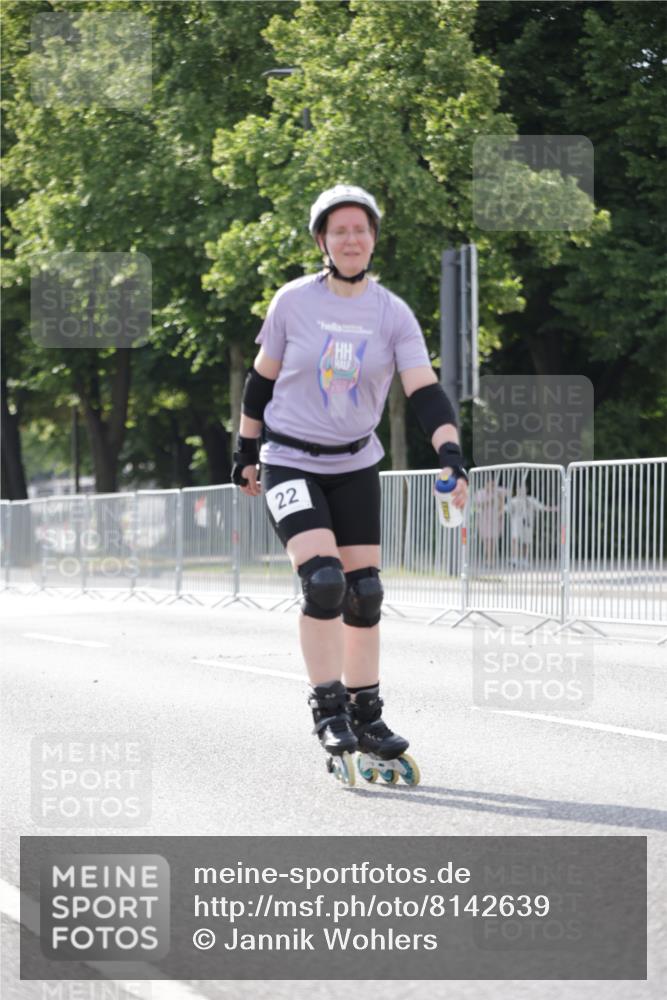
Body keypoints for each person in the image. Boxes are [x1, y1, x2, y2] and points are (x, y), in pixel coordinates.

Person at [231, 184, 468, 779]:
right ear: (322, 241)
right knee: (325, 582)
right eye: (339, 230)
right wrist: (245, 449)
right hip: (290, 457)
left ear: (373, 238)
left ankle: (368, 713)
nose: (352, 238)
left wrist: (452, 454)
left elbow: (423, 389)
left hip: (356, 461)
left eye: (360, 229)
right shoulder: (292, 302)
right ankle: (328, 707)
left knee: (365, 593)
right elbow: (261, 381)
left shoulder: (392, 312)